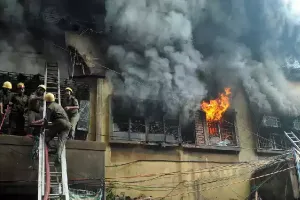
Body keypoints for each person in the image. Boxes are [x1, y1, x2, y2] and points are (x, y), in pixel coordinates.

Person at [33, 93, 71, 164]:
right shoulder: (58, 106)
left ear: (46, 101)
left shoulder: (50, 107)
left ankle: (51, 148)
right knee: (61, 142)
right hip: (68, 124)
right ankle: (58, 157)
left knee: (47, 136)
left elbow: (46, 121)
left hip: (59, 122)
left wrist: (41, 127)